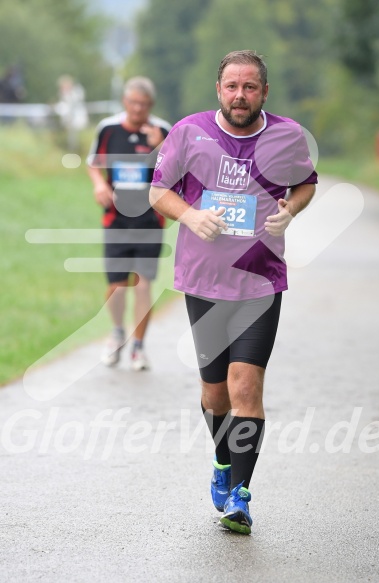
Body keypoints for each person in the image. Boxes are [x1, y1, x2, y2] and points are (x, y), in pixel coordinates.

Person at [149, 50, 317, 534]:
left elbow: (305, 184)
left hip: (260, 279)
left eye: (249, 87)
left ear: (264, 91)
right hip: (203, 280)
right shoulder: (189, 132)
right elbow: (158, 190)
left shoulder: (286, 135)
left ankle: (240, 497)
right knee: (215, 391)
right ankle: (223, 463)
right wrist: (191, 215)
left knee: (247, 386)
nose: (239, 95)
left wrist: (291, 211)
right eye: (231, 86)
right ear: (218, 89)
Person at [87, 76, 170, 371]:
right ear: (125, 102)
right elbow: (93, 164)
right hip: (116, 220)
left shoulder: (163, 131)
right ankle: (117, 332)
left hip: (150, 220)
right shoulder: (108, 129)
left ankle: (138, 347)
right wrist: (99, 185)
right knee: (117, 286)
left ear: (151, 106)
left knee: (144, 284)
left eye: (144, 105)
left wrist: (160, 147)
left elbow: (178, 173)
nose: (138, 109)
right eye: (133, 103)